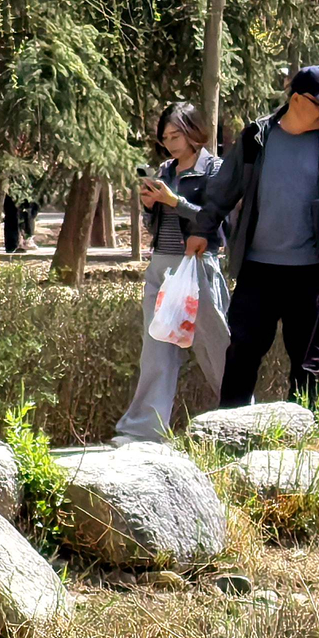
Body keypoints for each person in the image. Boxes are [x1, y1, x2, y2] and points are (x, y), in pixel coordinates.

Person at [187, 66, 319, 407]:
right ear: (297, 100)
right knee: (241, 356)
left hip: (312, 272)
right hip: (258, 271)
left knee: (309, 365)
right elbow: (223, 189)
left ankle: (307, 441)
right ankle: (228, 433)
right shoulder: (256, 138)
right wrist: (202, 230)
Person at [115, 102, 231, 443]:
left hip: (197, 264)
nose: (170, 142)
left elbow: (213, 218)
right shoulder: (165, 169)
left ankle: (240, 415)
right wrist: (151, 205)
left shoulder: (214, 168)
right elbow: (156, 223)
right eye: (165, 137)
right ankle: (143, 430)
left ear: (194, 131)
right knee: (156, 347)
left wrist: (174, 201)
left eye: (176, 134)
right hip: (162, 265)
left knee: (217, 345)